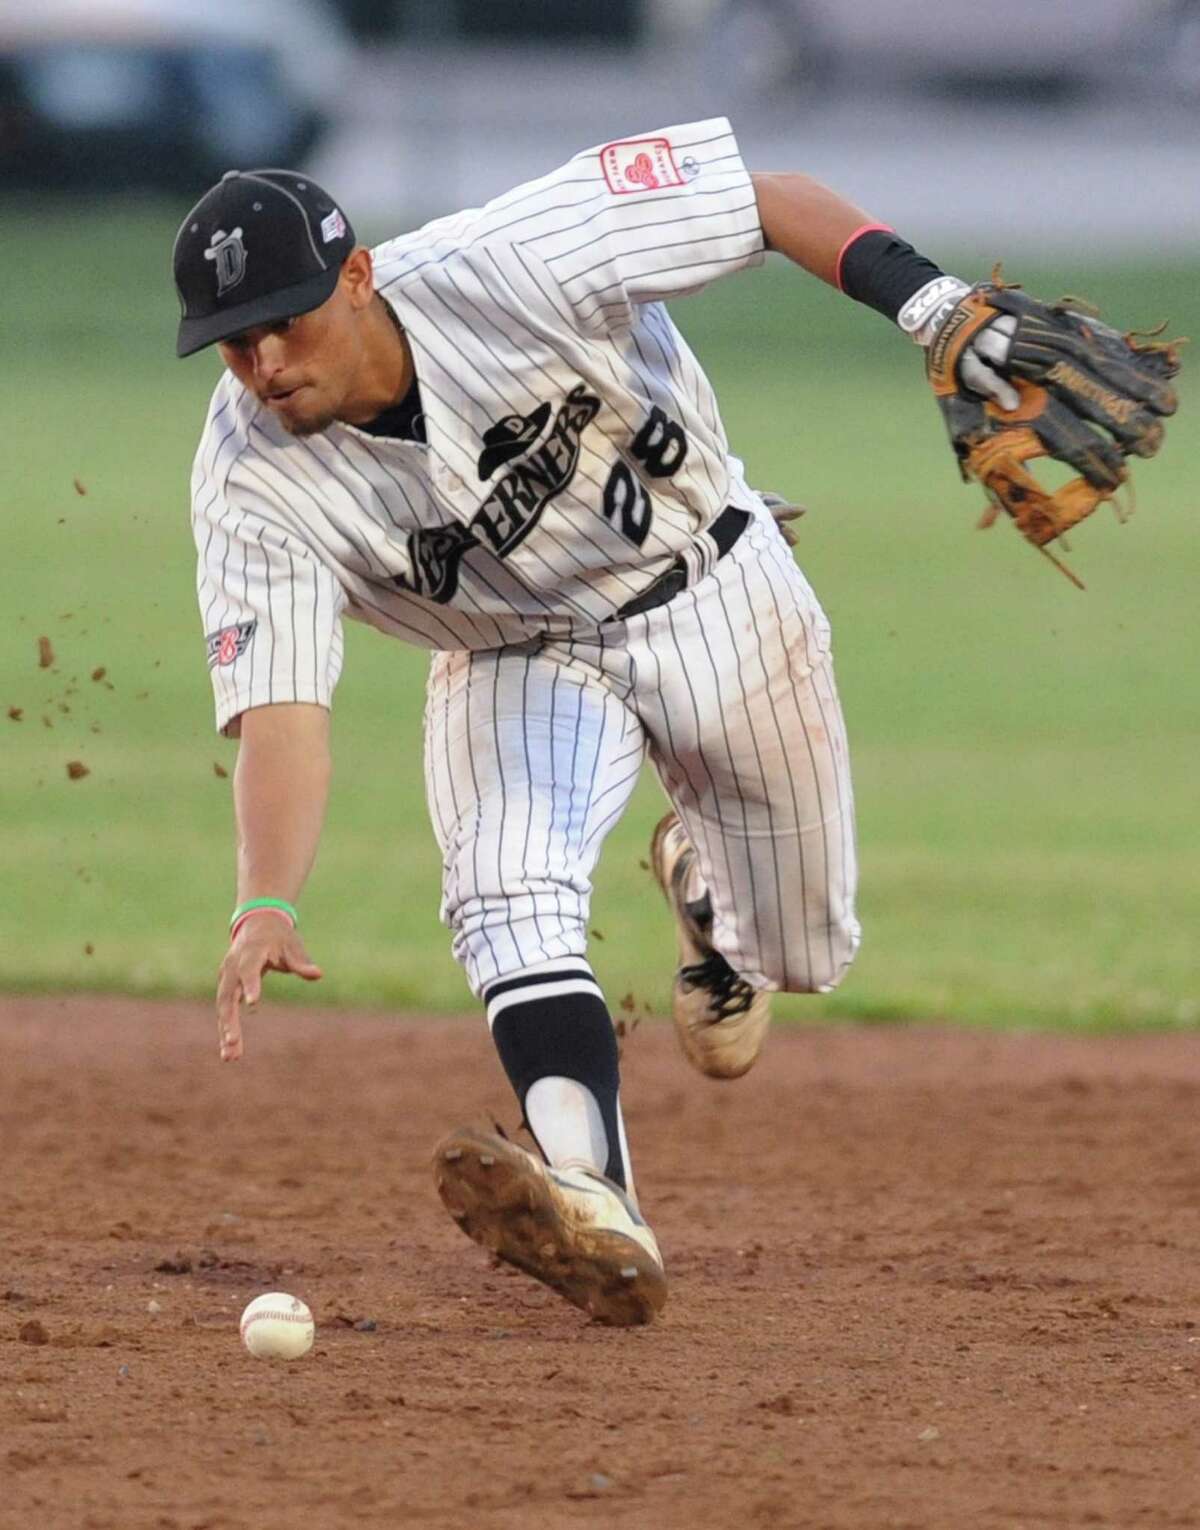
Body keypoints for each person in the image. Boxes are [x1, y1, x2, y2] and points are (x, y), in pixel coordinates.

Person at [173, 119, 1017, 1327]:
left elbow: (762, 199)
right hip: (515, 658)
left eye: (282, 324)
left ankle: (715, 913)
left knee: (807, 954)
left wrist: (932, 306)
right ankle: (591, 1192)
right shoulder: (250, 480)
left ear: (355, 275)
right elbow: (283, 708)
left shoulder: (514, 258)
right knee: (505, 886)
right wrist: (265, 899)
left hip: (715, 582)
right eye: (230, 347)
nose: (261, 364)